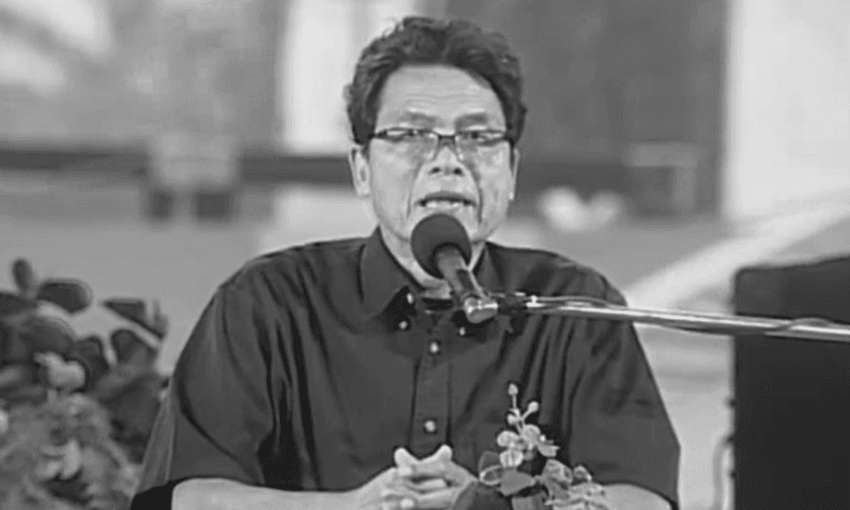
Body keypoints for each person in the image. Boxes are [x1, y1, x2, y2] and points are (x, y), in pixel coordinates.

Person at [132, 16, 680, 510]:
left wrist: (490, 506)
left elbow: (642, 499)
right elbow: (190, 497)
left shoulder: (572, 308)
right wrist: (351, 509)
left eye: (477, 137)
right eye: (412, 135)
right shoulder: (269, 303)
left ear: (511, 170)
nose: (448, 161)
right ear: (361, 169)